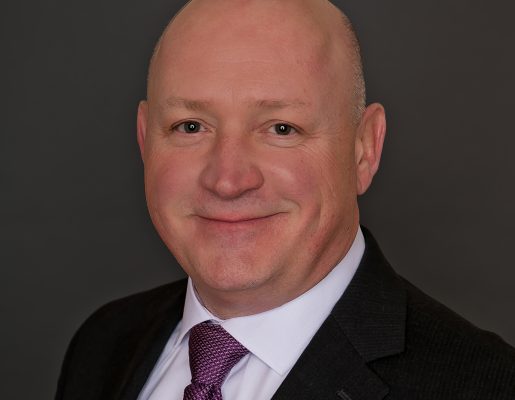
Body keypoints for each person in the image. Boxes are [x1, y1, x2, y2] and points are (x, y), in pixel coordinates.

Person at [55, 0, 515, 399]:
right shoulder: (103, 345)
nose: (228, 180)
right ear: (145, 140)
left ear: (364, 149)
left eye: (281, 128)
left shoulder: (486, 386)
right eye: (190, 126)